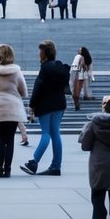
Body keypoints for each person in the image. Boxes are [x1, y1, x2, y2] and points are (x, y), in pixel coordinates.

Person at [21, 40, 69, 176]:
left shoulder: (45, 67)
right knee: (56, 134)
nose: (38, 53)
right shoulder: (60, 66)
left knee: (46, 133)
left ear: (44, 53)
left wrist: (32, 104)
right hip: (59, 104)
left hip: (46, 105)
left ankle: (34, 161)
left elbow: (38, 87)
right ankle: (56, 166)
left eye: (40, 51)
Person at [0, 43, 28, 178]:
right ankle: (7, 169)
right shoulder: (16, 70)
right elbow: (24, 91)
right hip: (13, 109)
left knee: (0, 140)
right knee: (10, 140)